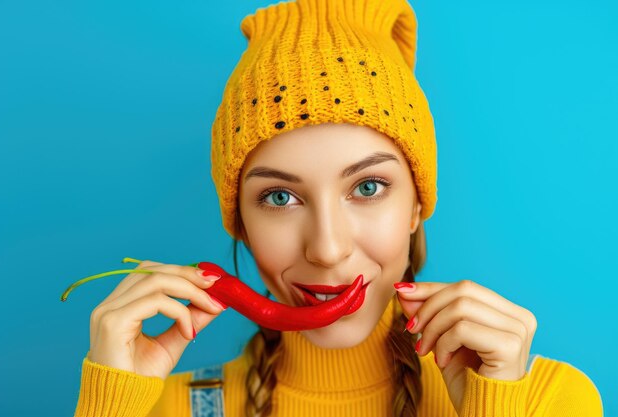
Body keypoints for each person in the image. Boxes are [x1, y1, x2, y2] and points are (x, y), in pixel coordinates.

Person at [72, 0, 603, 416]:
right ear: (241, 225)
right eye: (279, 197)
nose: (327, 249)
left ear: (417, 205)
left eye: (368, 187)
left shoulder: (547, 402)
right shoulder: (159, 408)